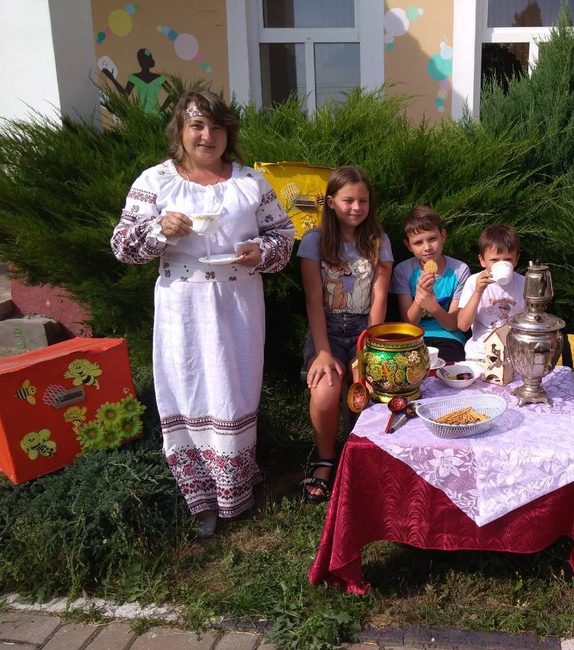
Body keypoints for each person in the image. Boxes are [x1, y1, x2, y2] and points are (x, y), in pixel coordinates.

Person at [110, 89, 295, 537]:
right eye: (197, 125)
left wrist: (261, 251)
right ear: (180, 131)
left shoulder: (251, 182)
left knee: (234, 390)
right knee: (188, 387)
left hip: (239, 305)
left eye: (216, 127)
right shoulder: (156, 181)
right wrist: (159, 229)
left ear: (229, 133)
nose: (207, 135)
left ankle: (235, 487)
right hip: (182, 308)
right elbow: (122, 246)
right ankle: (200, 498)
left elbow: (285, 236)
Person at [298, 166, 393, 502]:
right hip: (325, 329)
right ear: (331, 202)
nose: (356, 207)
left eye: (363, 201)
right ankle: (326, 459)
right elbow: (313, 300)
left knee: (365, 388)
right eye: (348, 200)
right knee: (325, 392)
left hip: (364, 330)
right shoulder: (314, 241)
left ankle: (360, 458)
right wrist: (323, 352)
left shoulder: (379, 241)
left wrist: (368, 349)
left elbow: (379, 298)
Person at [390, 206, 471, 363]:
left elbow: (453, 325)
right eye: (418, 243)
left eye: (432, 239)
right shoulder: (404, 270)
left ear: (443, 235)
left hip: (449, 337)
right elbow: (409, 323)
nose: (427, 247)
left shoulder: (460, 270)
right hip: (413, 337)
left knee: (448, 369)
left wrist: (433, 306)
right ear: (408, 246)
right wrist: (420, 297)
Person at [457, 224, 526, 361]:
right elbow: (463, 325)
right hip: (480, 354)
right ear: (482, 261)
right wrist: (478, 292)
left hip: (515, 355)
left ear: (516, 260)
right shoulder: (473, 282)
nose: (501, 264)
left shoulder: (524, 283)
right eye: (494, 260)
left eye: (508, 260)